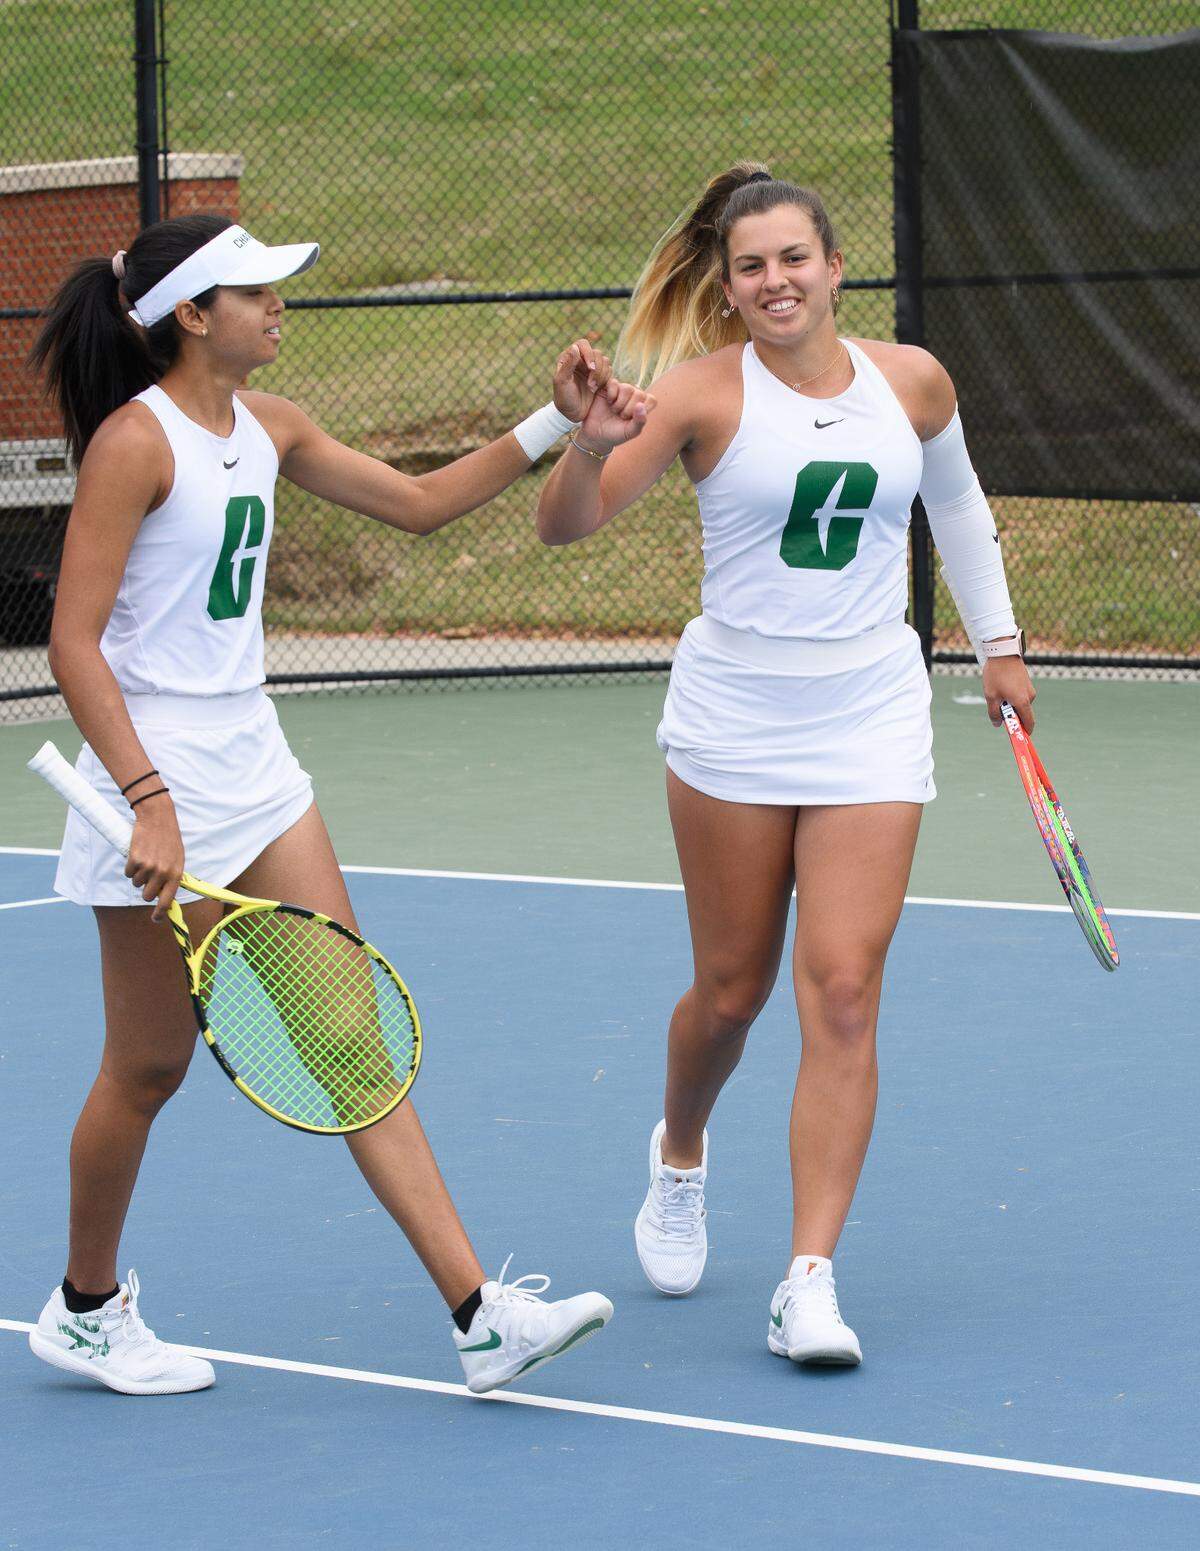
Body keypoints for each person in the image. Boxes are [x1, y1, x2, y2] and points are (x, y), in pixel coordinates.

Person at [27, 212, 648, 1397]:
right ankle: (86, 1307)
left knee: (353, 1046)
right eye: (255, 290)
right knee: (147, 1069)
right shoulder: (132, 445)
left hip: (259, 770)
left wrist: (559, 421)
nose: (278, 305)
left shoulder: (272, 426)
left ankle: (480, 1317)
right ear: (194, 315)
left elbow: (418, 505)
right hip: (149, 786)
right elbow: (72, 642)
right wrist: (149, 801)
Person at [536, 163, 1034, 1366]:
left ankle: (808, 1279)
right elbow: (568, 525)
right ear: (728, 282)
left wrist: (1001, 646)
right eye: (750, 266)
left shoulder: (910, 380)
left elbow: (958, 512)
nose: (775, 282)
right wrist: (584, 445)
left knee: (846, 991)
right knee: (730, 994)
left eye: (793, 259)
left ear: (833, 266)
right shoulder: (698, 395)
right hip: (735, 720)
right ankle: (681, 1154)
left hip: (871, 707)